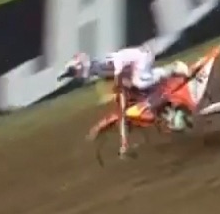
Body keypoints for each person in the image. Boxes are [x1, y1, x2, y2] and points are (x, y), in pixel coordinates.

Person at [58, 45, 194, 155]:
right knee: (140, 97)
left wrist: (119, 82)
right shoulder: (99, 70)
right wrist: (124, 144)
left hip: (140, 57)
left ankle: (173, 68)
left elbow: (119, 65)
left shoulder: (103, 63)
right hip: (133, 68)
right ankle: (170, 111)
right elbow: (121, 102)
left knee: (140, 82)